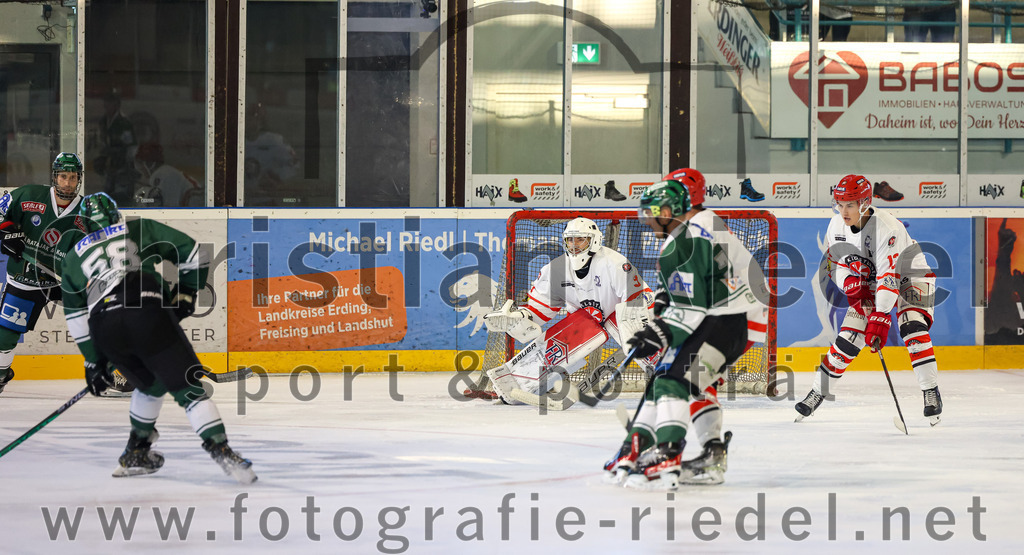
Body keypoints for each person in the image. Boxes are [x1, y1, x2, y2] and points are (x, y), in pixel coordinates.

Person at [58, 193, 256, 483]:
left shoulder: (74, 257)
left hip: (104, 324)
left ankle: (135, 452)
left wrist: (93, 363)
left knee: (150, 384)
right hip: (145, 307)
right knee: (187, 386)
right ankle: (221, 449)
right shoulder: (138, 228)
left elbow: (75, 318)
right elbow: (195, 253)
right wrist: (187, 293)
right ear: (116, 215)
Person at [604, 178, 768, 490]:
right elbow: (690, 285)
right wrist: (666, 311)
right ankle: (709, 453)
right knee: (685, 379)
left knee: (674, 379)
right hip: (737, 312)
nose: (650, 219)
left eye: (657, 212)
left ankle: (667, 450)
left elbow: (691, 302)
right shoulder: (702, 225)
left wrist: (661, 331)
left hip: (728, 316)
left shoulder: (689, 236)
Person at [795, 174, 942, 425]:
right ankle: (817, 392)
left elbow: (890, 276)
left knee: (911, 326)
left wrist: (880, 316)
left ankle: (931, 391)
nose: (843, 211)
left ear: (864, 202)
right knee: (848, 339)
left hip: (910, 274)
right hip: (871, 281)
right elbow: (835, 265)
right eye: (839, 204)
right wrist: (850, 285)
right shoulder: (835, 226)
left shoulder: (887, 227)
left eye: (850, 204)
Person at [480, 216, 655, 408]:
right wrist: (521, 317)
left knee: (633, 327)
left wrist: (636, 329)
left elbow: (639, 299)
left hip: (622, 315)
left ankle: (669, 376)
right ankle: (513, 384)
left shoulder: (614, 263)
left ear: (593, 240)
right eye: (570, 240)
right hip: (585, 321)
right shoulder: (555, 269)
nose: (574, 245)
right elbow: (539, 310)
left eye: (580, 239)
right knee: (573, 331)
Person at [0, 153, 98, 395]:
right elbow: (1, 216)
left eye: (73, 177)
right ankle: (1, 372)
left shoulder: (89, 213)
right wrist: (6, 234)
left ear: (79, 179)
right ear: (54, 177)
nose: (67, 183)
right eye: (63, 176)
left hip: (68, 281)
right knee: (5, 335)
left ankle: (117, 372)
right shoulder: (29, 196)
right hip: (27, 278)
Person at [93, 92, 138, 205]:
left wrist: (128, 163)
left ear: (117, 105)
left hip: (123, 166)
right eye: (106, 104)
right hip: (111, 167)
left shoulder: (123, 123)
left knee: (123, 197)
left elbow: (131, 146)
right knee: (108, 195)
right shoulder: (103, 121)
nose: (107, 107)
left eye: (110, 104)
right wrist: (102, 157)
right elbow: (102, 142)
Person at [132, 143, 204, 207]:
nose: (139, 168)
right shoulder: (166, 172)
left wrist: (142, 200)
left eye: (140, 163)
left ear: (149, 163)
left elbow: (169, 208)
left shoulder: (162, 174)